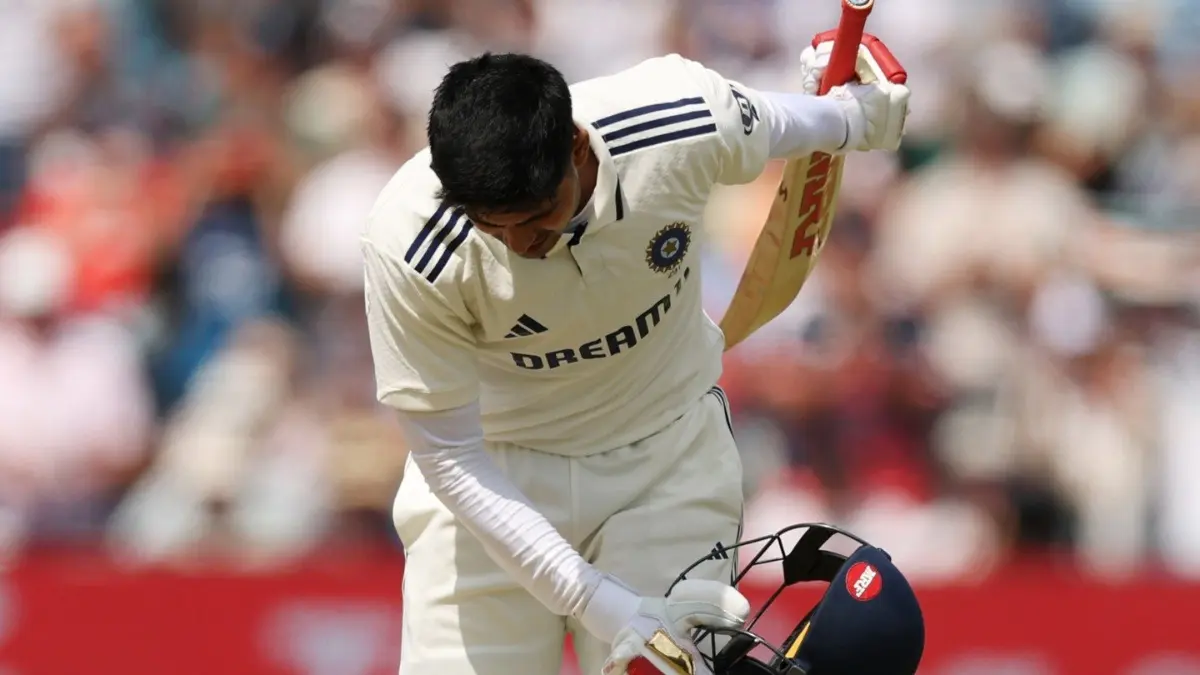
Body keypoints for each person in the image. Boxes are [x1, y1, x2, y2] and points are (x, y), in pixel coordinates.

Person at [362, 37, 910, 675]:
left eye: (538, 219)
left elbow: (808, 122)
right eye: (493, 226)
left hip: (665, 460)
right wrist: (597, 601)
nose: (517, 247)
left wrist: (858, 113)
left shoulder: (677, 119)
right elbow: (451, 460)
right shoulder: (410, 238)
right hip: (495, 484)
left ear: (574, 145)